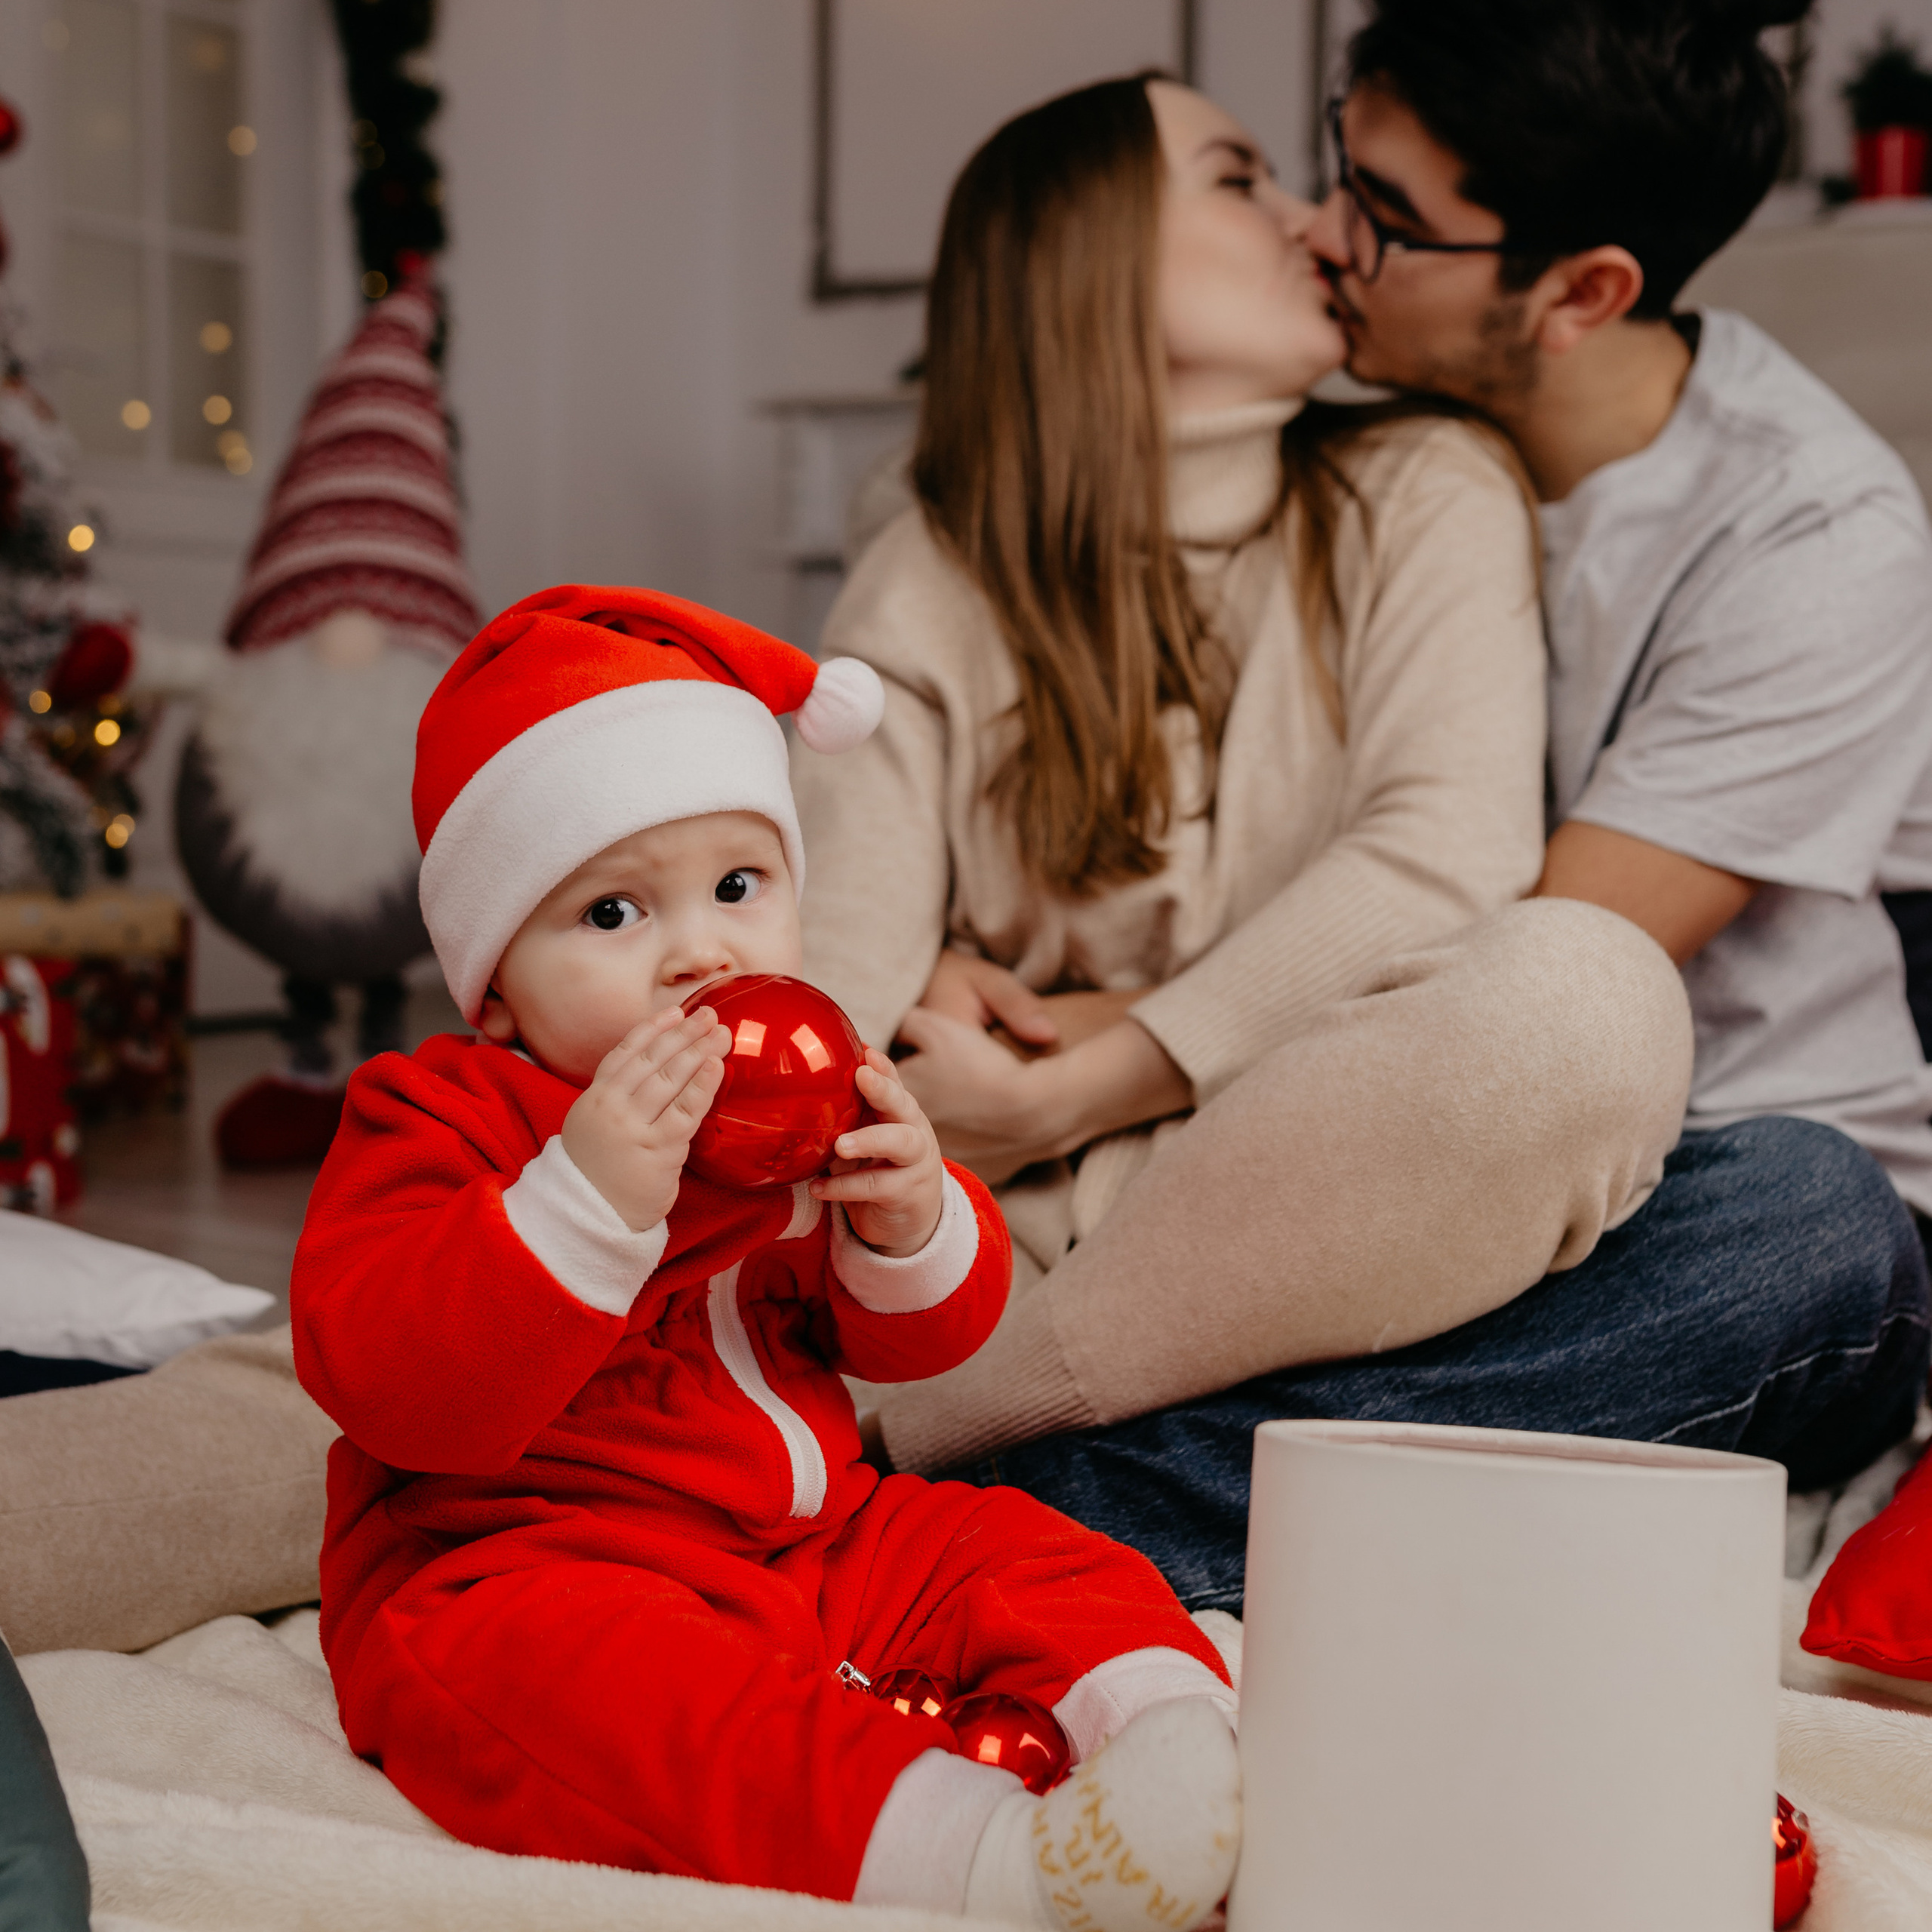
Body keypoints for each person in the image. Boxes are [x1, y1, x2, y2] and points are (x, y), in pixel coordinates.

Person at [792, 62, 1931, 1612]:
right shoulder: (928, 563)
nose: (1318, 228)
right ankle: (960, 1498)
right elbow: (828, 994)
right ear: (1080, 255)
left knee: (1760, 1177)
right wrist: (910, 1010)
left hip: (1504, 1180)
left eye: (1376, 210)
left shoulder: (1524, 499)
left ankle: (959, 1504)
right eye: (1263, 176)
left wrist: (1070, 1072)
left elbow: (1458, 891)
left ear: (1580, 293)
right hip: (1107, 1238)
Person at [290, 583, 1245, 1929]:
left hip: (813, 1538)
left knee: (1017, 1550)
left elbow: (917, 1344)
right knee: (620, 1705)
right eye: (612, 916)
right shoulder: (443, 1113)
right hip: (530, 1562)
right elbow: (391, 1382)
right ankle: (986, 1862)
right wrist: (583, 1202)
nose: (700, 954)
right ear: (495, 983)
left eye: (739, 888)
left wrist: (909, 1221)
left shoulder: (803, 1090)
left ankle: (1182, 1740)